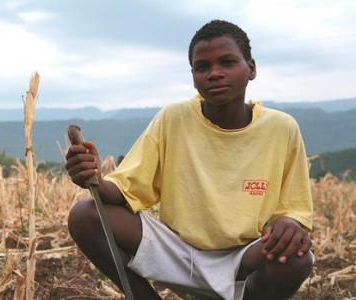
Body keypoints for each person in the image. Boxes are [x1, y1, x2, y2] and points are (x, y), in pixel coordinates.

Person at [66, 19, 314, 300]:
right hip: (179, 253)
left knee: (296, 258)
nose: (215, 74)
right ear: (193, 75)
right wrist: (95, 179)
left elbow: (295, 211)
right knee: (85, 215)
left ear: (251, 69)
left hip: (243, 259)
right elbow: (125, 189)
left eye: (227, 62)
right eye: (202, 67)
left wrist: (289, 224)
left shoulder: (282, 128)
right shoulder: (173, 118)